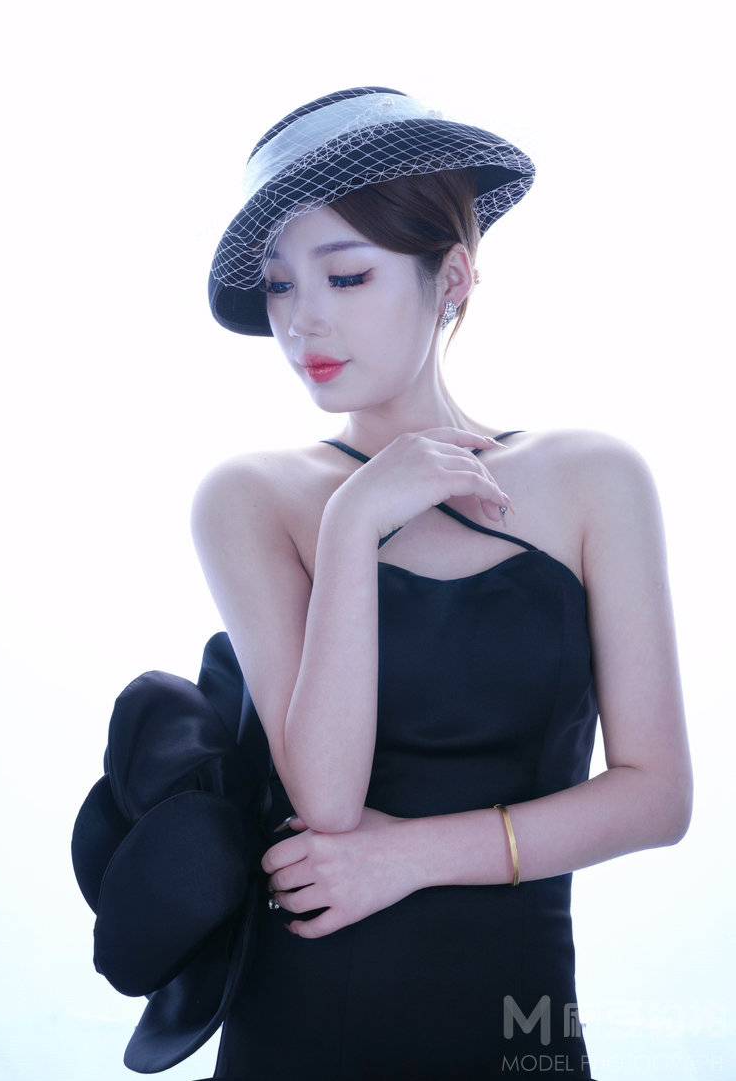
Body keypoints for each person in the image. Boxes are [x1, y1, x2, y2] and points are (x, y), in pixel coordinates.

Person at [190, 86, 693, 1080]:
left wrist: (408, 857)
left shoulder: (593, 477)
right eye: (280, 285)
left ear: (453, 277)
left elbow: (658, 796)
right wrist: (355, 521)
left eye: (346, 274)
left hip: (517, 1017)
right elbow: (327, 801)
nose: (303, 320)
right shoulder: (251, 498)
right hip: (307, 1015)